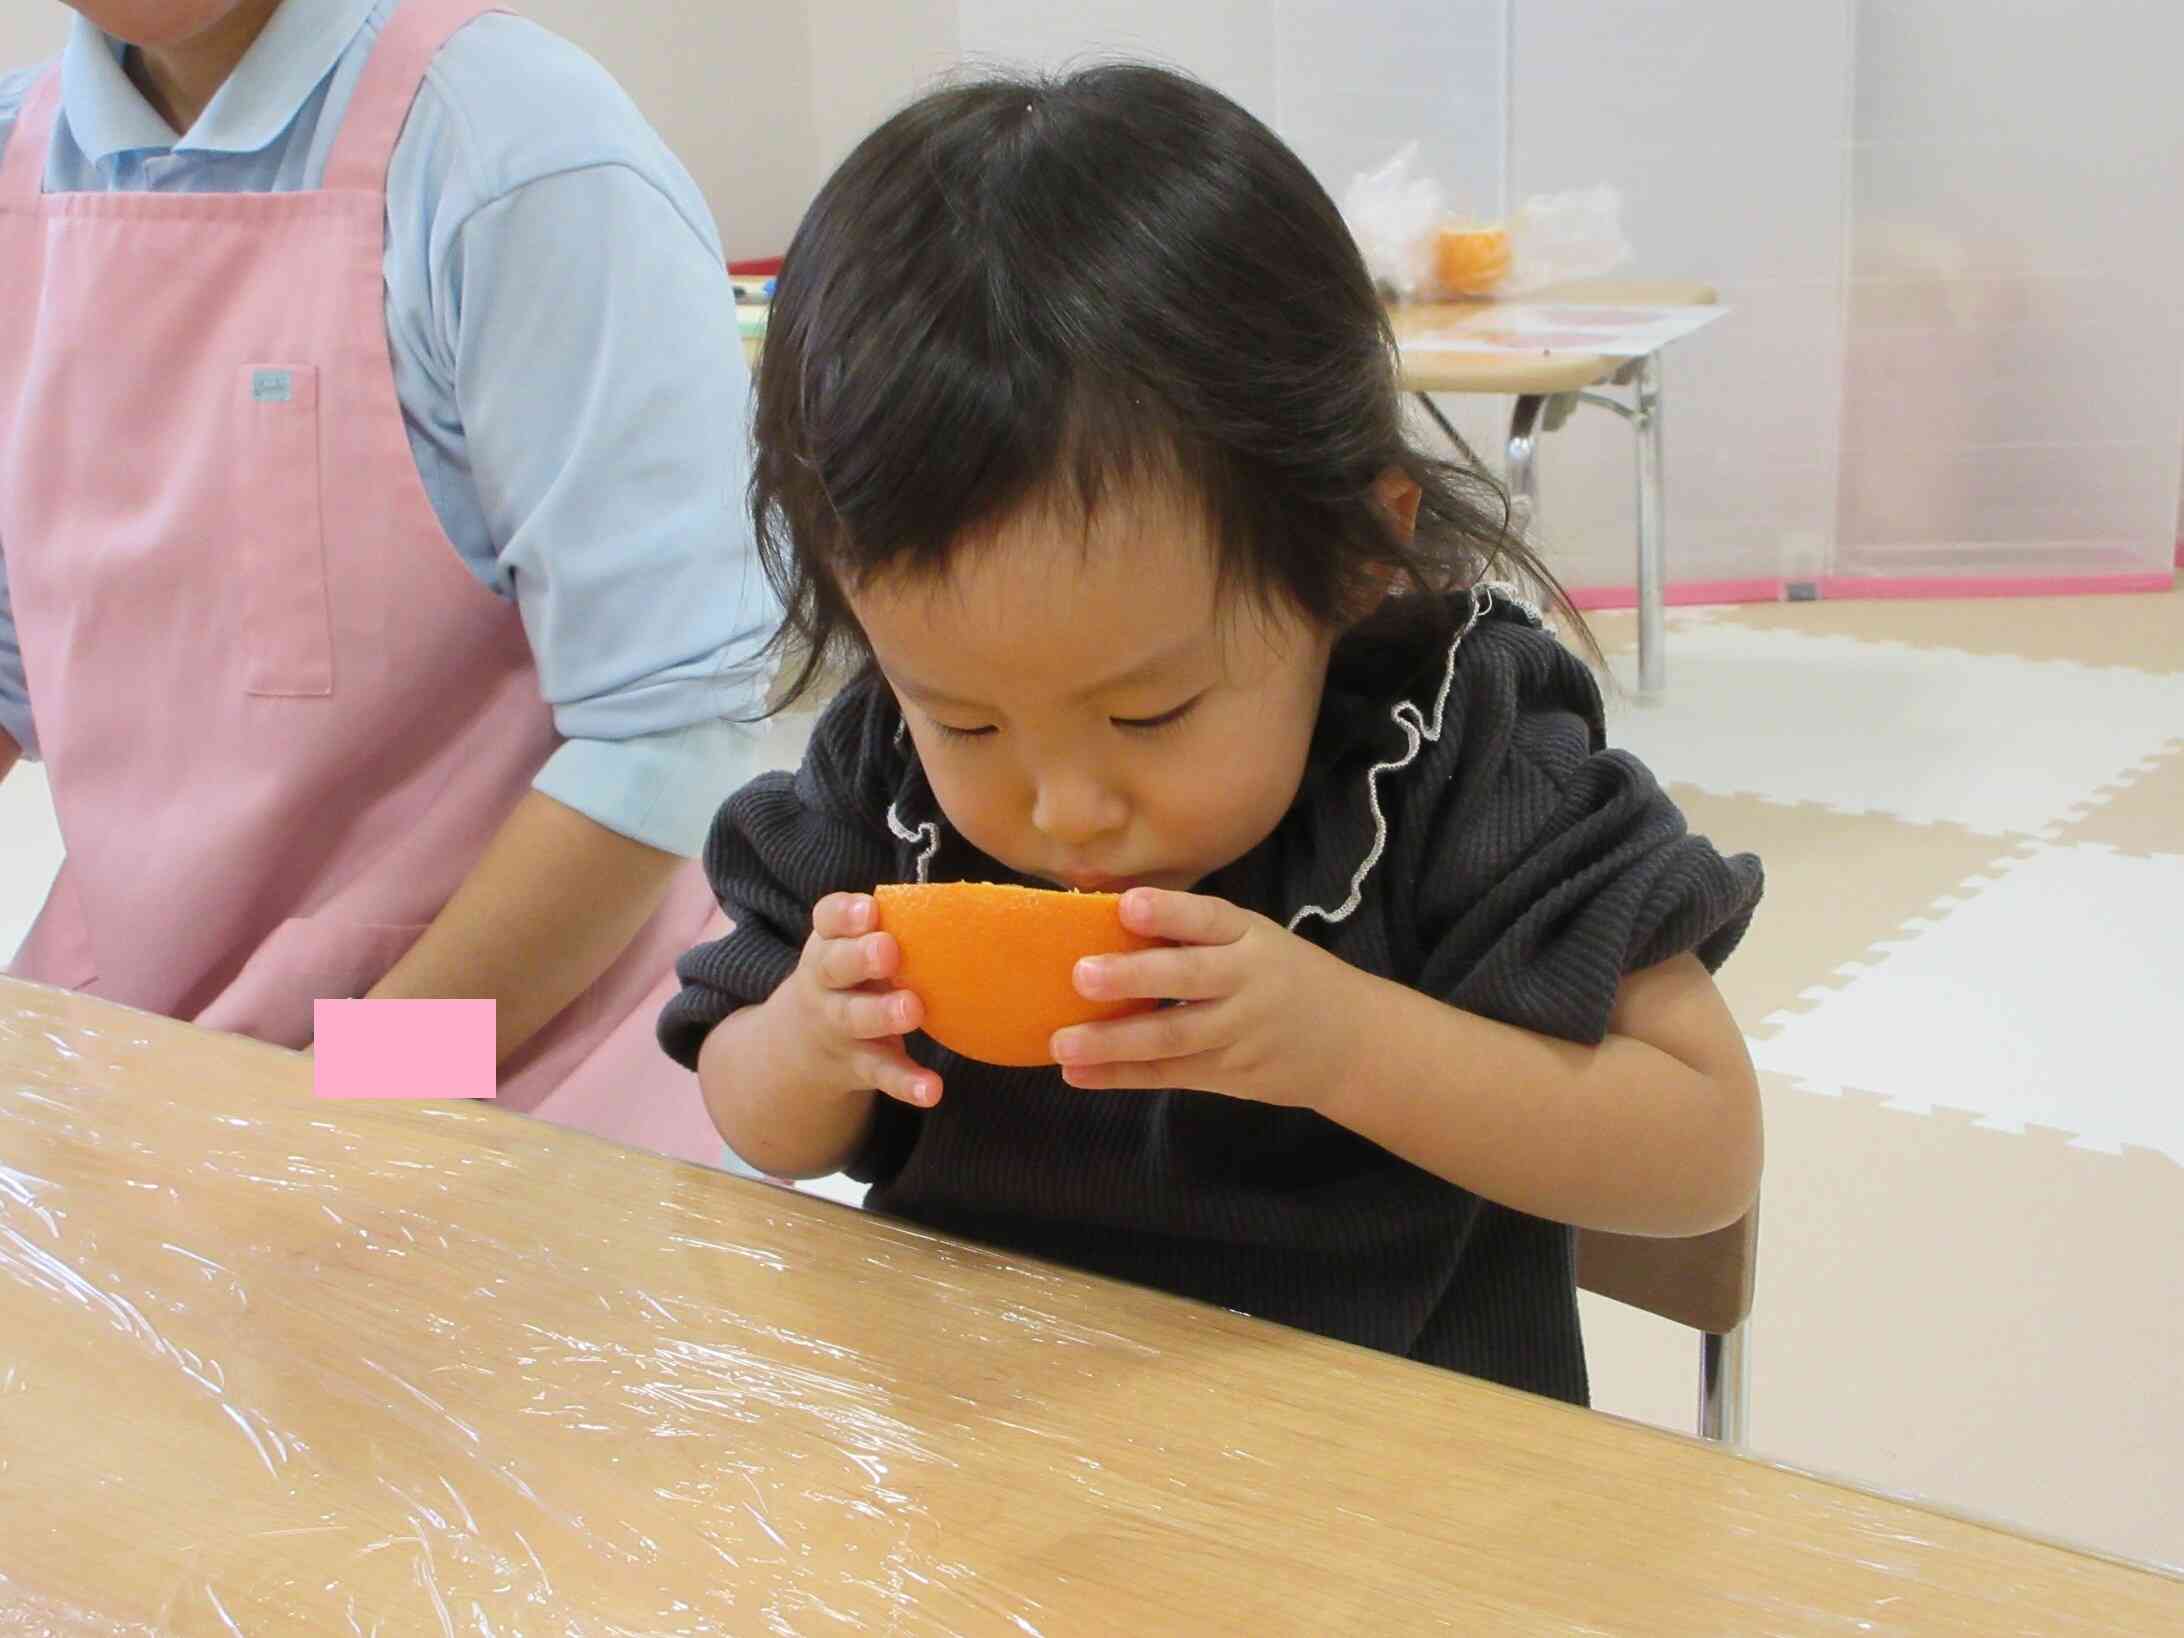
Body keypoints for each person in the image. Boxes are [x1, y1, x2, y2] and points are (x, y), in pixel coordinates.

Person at [659, 65, 1765, 1402]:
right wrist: (812, 1041)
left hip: (1386, 1470)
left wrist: (1343, 1045)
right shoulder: (883, 776)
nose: (1066, 806)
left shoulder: (1458, 758)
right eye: (968, 719)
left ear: (1353, 559)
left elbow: (1706, 1147)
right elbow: (757, 1119)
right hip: (998, 1444)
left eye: (1150, 712)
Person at [0, 0, 776, 1164]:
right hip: (150, 1063)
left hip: (531, 1085)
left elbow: (670, 741)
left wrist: (349, 1093)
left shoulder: (516, 154)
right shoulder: (17, 166)